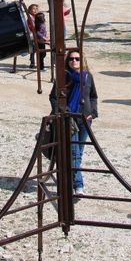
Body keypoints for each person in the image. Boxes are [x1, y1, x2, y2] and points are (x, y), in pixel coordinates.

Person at [50, 50, 98, 193]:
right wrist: (62, 111)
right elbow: (53, 97)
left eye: (77, 59)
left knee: (79, 152)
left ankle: (69, 178)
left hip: (85, 120)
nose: (74, 61)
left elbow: (93, 96)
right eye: (71, 59)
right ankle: (78, 185)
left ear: (82, 60)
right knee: (74, 153)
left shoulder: (88, 77)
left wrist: (93, 113)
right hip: (69, 120)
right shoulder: (63, 77)